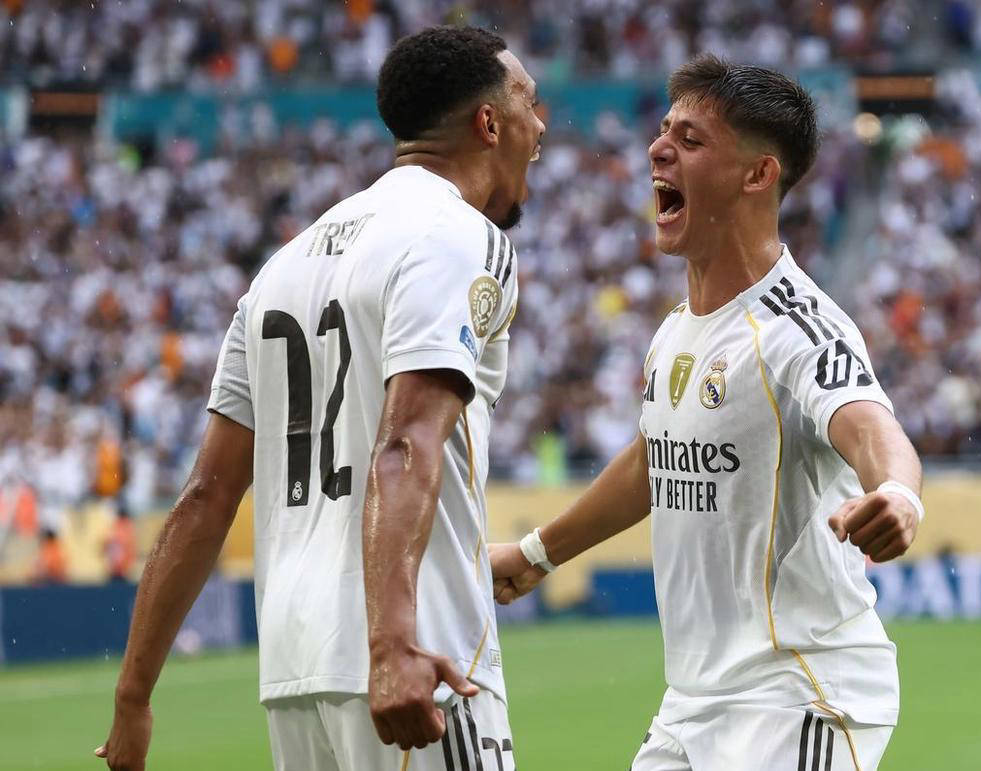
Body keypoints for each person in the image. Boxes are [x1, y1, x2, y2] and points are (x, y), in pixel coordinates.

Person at [97, 26, 543, 771]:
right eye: (530, 101)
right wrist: (391, 644)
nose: (543, 124)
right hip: (416, 658)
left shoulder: (282, 267)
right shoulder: (461, 236)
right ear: (489, 123)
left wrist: (132, 696)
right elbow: (405, 442)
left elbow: (207, 494)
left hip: (295, 672)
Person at [490, 55, 922, 771]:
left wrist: (899, 493)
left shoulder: (799, 329)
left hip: (800, 691)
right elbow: (653, 460)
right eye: (664, 131)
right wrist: (537, 554)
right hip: (692, 704)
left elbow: (872, 425)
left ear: (758, 174)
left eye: (690, 140)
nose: (657, 149)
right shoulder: (676, 331)